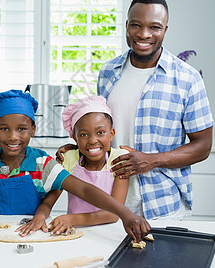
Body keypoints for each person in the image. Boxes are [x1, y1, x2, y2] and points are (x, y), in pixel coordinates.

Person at [58, 0, 214, 220]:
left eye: (155, 27)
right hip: (108, 204)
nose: (144, 34)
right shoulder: (108, 72)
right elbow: (101, 129)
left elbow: (203, 146)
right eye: (136, 25)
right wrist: (76, 149)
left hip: (162, 206)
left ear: (165, 30)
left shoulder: (187, 79)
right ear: (126, 26)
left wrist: (152, 160)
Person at [0, 90, 150, 242]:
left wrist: (125, 214)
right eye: (4, 129)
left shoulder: (43, 164)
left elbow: (83, 189)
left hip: (33, 233)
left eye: (22, 129)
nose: (13, 137)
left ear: (33, 130)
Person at [44, 96, 144, 235]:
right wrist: (40, 216)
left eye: (100, 132)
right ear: (74, 138)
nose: (92, 140)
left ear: (111, 134)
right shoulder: (69, 159)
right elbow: (49, 199)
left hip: (107, 232)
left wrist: (72, 219)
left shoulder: (118, 159)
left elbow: (113, 215)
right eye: (84, 135)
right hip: (72, 231)